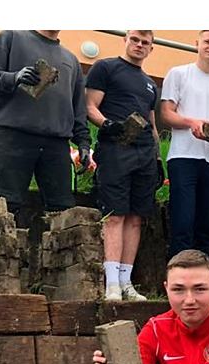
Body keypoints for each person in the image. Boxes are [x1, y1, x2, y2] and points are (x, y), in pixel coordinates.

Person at [0, 30, 91, 224]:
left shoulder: (71, 60)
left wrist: (83, 142)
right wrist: (14, 77)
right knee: (1, 207)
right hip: (13, 136)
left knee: (64, 212)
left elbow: (77, 108)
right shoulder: (10, 38)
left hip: (56, 144)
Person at [85, 30, 160, 302]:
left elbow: (152, 124)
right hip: (115, 148)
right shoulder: (105, 67)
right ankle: (112, 284)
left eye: (145, 43)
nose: (140, 45)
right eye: (136, 40)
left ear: (151, 48)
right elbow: (90, 106)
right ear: (126, 40)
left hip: (144, 154)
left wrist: (157, 156)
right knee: (115, 215)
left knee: (136, 217)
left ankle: (127, 283)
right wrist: (108, 125)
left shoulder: (150, 84)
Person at [160, 30, 209, 258]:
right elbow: (166, 114)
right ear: (197, 43)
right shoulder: (178, 74)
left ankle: (204, 281)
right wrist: (191, 122)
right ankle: (178, 278)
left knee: (208, 226)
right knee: (182, 222)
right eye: (208, 41)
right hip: (183, 156)